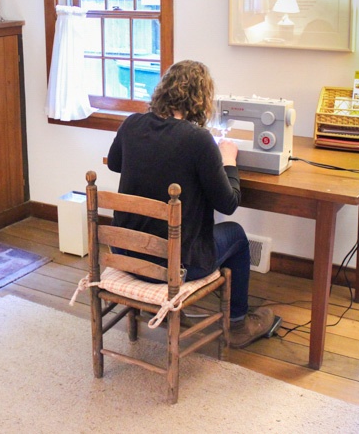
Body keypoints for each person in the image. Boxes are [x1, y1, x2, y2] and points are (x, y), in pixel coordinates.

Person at [106, 59, 280, 348]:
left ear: (163, 91)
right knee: (235, 234)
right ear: (202, 100)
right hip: (175, 267)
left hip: (126, 252)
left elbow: (114, 163)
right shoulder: (198, 140)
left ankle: (171, 307)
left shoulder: (132, 123)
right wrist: (228, 161)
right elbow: (229, 203)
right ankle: (237, 323)